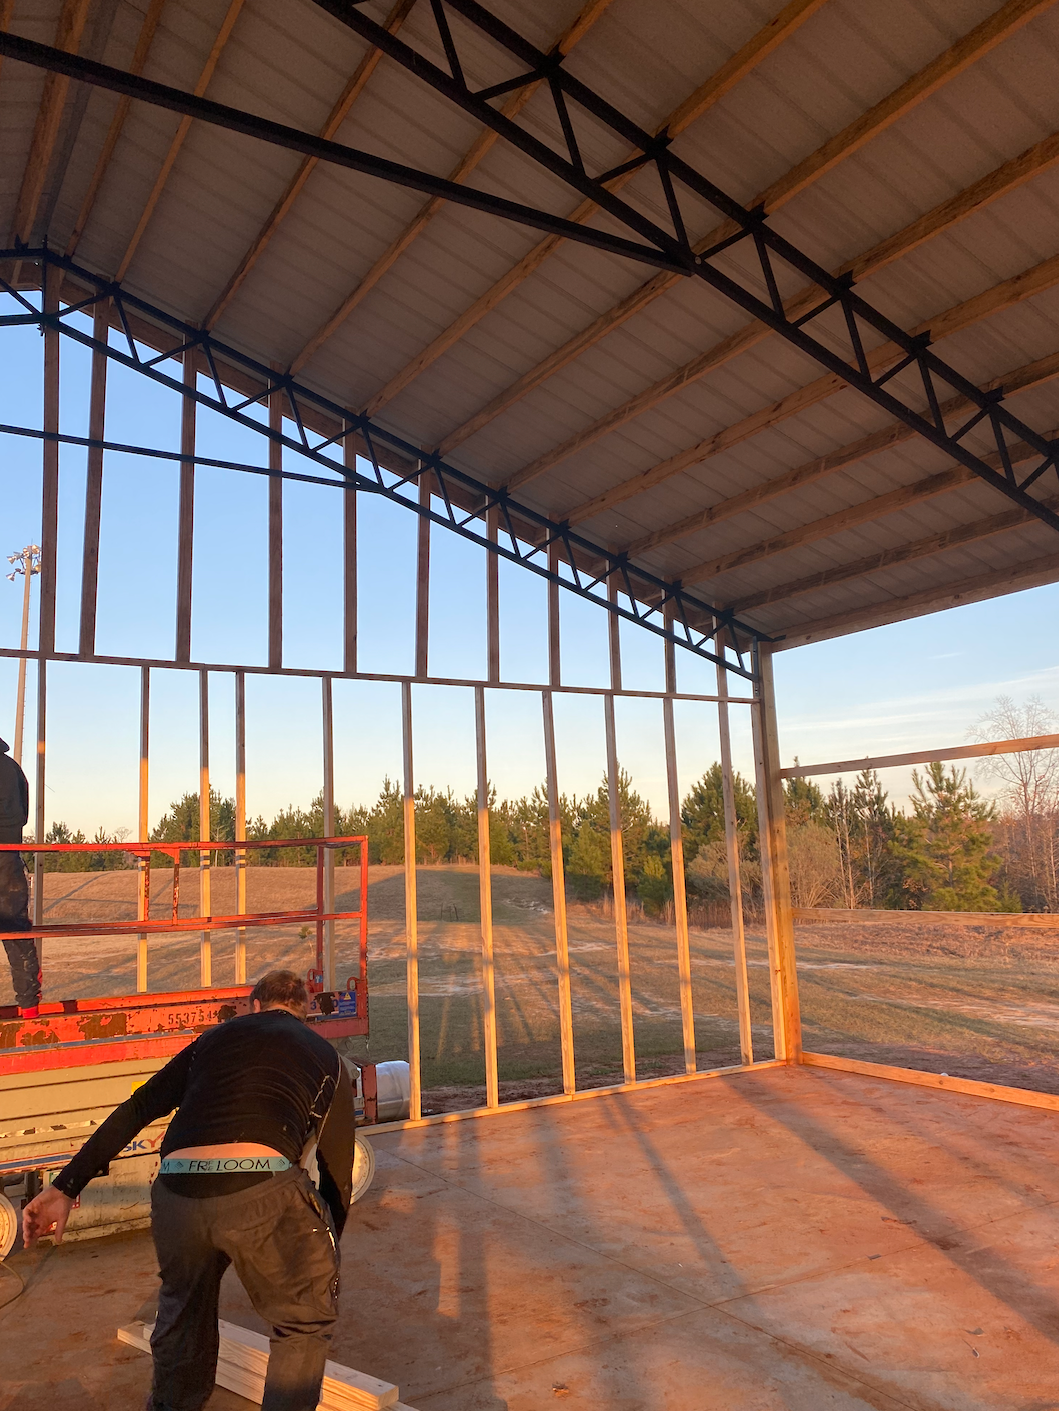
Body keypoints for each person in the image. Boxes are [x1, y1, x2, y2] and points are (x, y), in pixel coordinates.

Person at [23, 969, 355, 1411]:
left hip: (177, 1189)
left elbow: (139, 1106)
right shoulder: (326, 1057)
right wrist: (324, 1246)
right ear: (306, 1011)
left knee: (184, 1322)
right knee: (302, 1324)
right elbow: (339, 1176)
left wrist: (66, 1186)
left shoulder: (212, 1040)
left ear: (253, 1005)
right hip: (263, 1185)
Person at [0, 735, 38, 1018]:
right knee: (15, 930)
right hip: (9, 857)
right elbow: (23, 814)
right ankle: (29, 1007)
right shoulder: (13, 768)